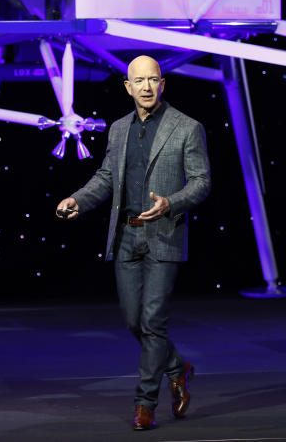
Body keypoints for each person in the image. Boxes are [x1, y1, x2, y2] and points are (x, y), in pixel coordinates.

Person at [56, 55, 211, 430]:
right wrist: (78, 199)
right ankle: (177, 367)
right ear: (128, 87)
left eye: (152, 80)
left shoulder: (187, 128)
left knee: (154, 321)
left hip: (164, 234)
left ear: (162, 84)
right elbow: (107, 177)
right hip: (126, 236)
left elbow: (201, 182)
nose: (145, 87)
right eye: (138, 81)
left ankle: (145, 403)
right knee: (133, 321)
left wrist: (170, 203)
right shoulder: (119, 129)